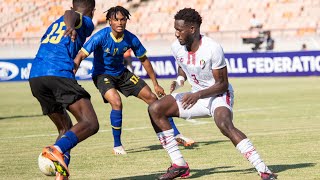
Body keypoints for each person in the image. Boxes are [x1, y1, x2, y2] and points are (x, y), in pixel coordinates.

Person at [148, 8, 277, 180]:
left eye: (179, 30)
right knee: (155, 108)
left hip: (218, 95)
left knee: (224, 123)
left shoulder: (212, 48)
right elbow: (182, 65)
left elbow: (222, 84)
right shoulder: (176, 47)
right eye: (175, 30)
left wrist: (198, 95)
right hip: (197, 95)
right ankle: (179, 165)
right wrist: (180, 79)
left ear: (192, 29)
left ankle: (264, 170)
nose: (176, 34)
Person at [73, 6, 194, 155]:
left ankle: (174, 134)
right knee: (116, 102)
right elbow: (80, 55)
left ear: (126, 21)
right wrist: (72, 73)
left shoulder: (131, 38)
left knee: (153, 99)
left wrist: (155, 84)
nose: (120, 22)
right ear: (109, 21)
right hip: (102, 75)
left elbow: (144, 60)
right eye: (116, 19)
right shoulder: (100, 37)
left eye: (122, 19)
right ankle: (117, 145)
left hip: (122, 73)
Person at [28, 0, 98, 179]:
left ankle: (61, 174)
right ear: (92, 10)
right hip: (57, 74)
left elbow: (70, 14)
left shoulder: (55, 23)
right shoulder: (85, 20)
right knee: (90, 123)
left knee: (65, 128)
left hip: (36, 77)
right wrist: (71, 25)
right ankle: (55, 149)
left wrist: (70, 23)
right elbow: (72, 15)